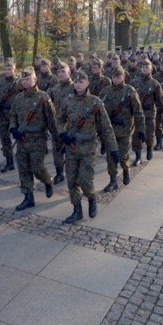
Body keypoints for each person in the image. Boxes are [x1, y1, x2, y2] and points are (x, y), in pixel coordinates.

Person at [56, 71, 118, 223]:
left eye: (81, 82)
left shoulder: (95, 102)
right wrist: (63, 133)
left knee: (85, 180)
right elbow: (59, 120)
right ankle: (77, 210)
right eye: (76, 82)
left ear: (87, 83)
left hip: (88, 147)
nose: (78, 84)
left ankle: (91, 197)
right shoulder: (68, 100)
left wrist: (113, 148)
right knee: (71, 181)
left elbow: (106, 126)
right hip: (71, 146)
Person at [10, 67, 58, 210]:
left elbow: (52, 120)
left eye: (28, 79)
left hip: (38, 139)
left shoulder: (43, 98)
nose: (25, 82)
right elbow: (12, 115)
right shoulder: (18, 98)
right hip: (22, 139)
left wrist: (57, 138)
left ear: (35, 80)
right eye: (23, 80)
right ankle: (28, 197)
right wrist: (13, 129)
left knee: (37, 168)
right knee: (23, 169)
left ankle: (48, 180)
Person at [100, 67, 145, 191]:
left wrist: (141, 129)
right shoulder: (105, 91)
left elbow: (138, 112)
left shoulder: (130, 91)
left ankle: (126, 169)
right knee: (110, 157)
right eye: (114, 77)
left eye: (118, 77)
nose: (116, 79)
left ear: (123, 77)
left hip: (125, 130)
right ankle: (113, 180)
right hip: (110, 131)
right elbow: (99, 112)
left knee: (123, 156)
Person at [128, 59, 163, 165]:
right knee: (136, 136)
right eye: (142, 67)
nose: (144, 69)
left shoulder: (155, 84)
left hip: (150, 112)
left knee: (150, 134)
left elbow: (162, 100)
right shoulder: (134, 82)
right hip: (137, 114)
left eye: (147, 67)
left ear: (151, 68)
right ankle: (138, 156)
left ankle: (149, 148)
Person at [46, 62, 75, 184]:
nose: (60, 74)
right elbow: (46, 102)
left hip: (71, 125)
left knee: (71, 151)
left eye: (63, 71)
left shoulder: (75, 87)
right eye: (58, 72)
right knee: (57, 150)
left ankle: (72, 173)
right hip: (57, 124)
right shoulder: (54, 89)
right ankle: (59, 173)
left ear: (69, 73)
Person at [0, 59, 22, 173]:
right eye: (5, 69)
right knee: (5, 138)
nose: (7, 71)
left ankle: (21, 159)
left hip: (16, 115)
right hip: (4, 115)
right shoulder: (0, 82)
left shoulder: (19, 82)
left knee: (19, 137)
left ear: (14, 69)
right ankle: (9, 162)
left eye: (9, 69)